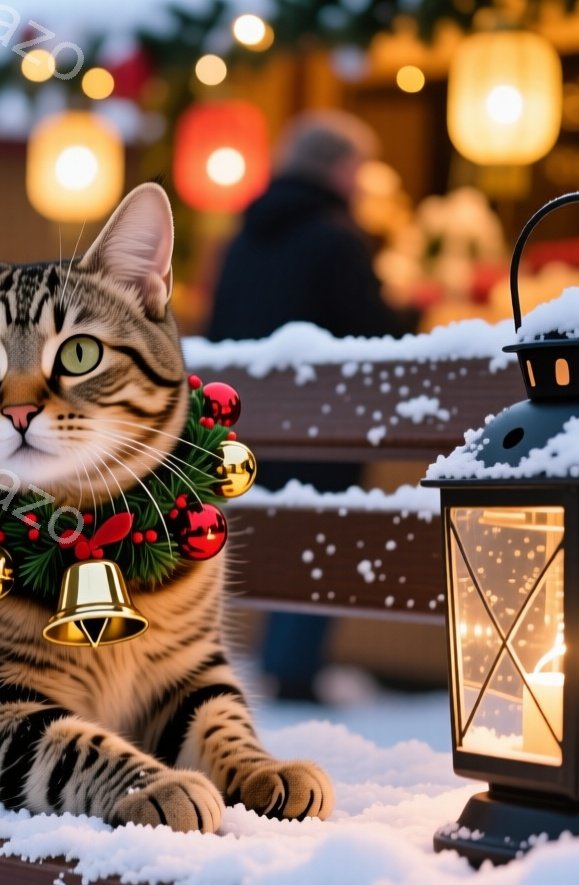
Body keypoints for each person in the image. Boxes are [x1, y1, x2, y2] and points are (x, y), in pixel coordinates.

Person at [207, 110, 415, 702]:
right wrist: (413, 311)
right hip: (322, 427)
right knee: (322, 540)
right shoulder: (336, 238)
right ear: (341, 167)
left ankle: (273, 667)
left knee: (273, 537)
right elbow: (371, 332)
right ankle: (292, 674)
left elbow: (219, 328)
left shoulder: (241, 240)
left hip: (246, 427)